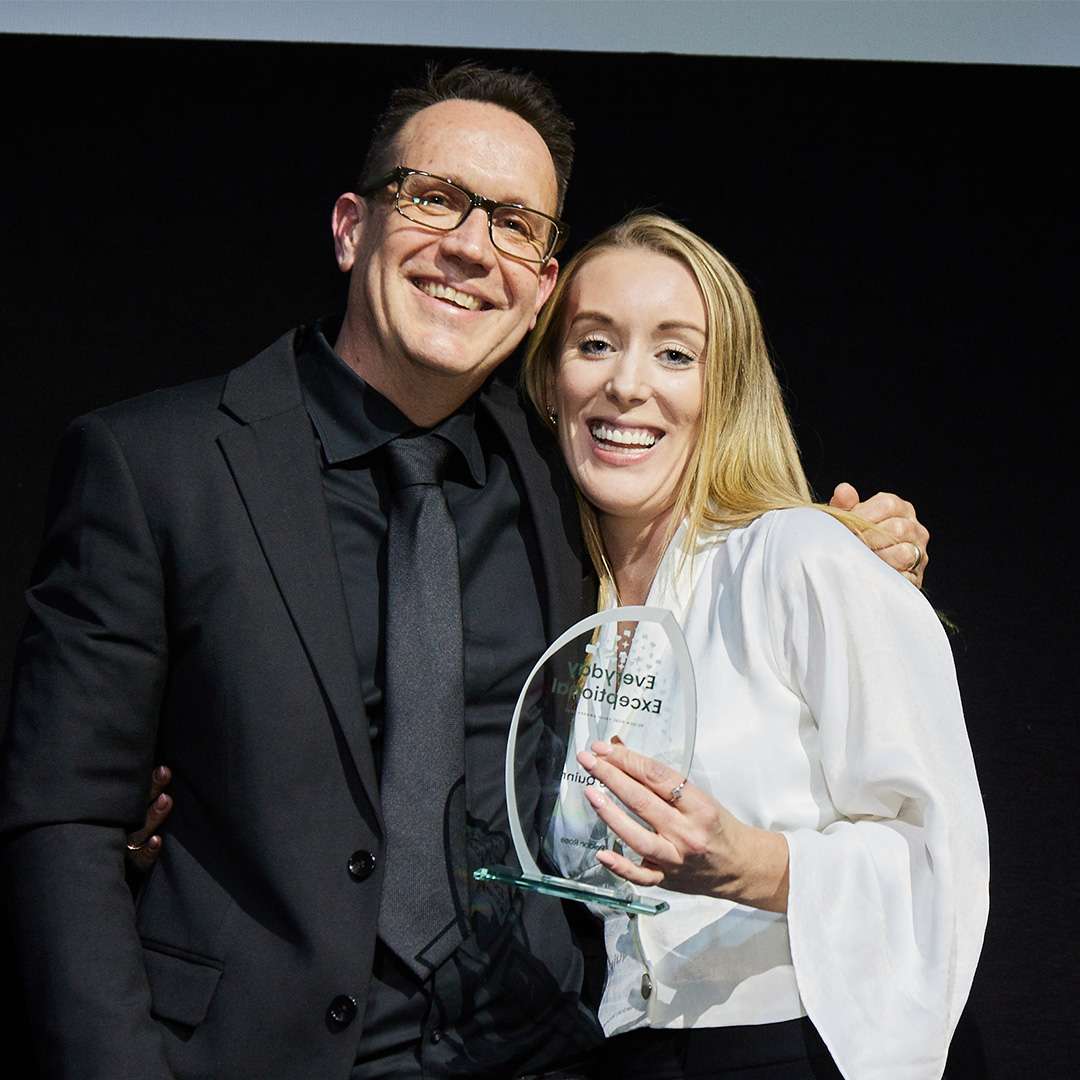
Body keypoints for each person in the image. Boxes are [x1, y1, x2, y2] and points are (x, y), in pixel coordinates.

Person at [0, 63, 930, 1080]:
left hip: (536, 1053)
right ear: (352, 227)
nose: (470, 247)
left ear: (539, 289)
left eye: (517, 225)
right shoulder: (155, 466)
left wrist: (857, 551)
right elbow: (65, 820)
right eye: (435, 198)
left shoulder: (570, 475)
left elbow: (715, 540)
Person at [520, 213, 988, 1079]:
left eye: (674, 353)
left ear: (724, 388)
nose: (627, 385)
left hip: (798, 1048)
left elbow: (942, 857)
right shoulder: (554, 602)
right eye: (594, 343)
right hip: (616, 1050)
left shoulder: (804, 557)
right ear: (549, 379)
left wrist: (750, 864)